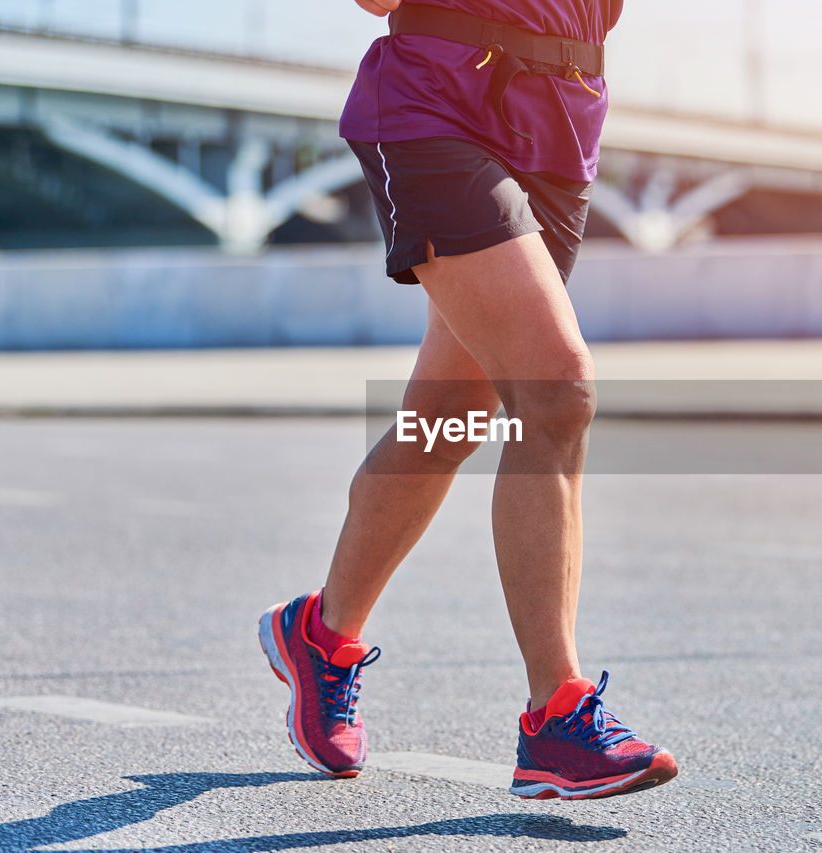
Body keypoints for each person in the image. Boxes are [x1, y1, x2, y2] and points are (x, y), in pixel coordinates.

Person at [258, 0, 677, 800]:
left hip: (562, 117)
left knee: (446, 423)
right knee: (556, 390)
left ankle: (321, 635)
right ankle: (556, 716)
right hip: (437, 103)